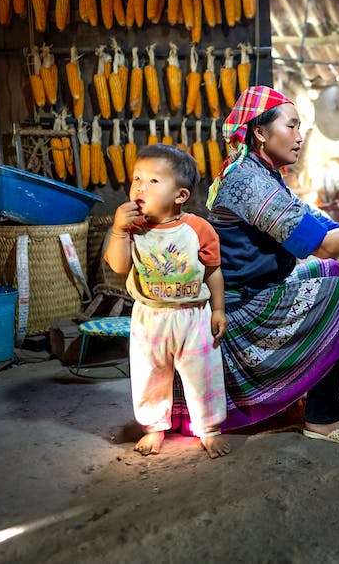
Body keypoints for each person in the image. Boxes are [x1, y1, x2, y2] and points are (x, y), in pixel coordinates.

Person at [171, 85, 339, 447]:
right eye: (291, 127)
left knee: (329, 275)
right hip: (239, 309)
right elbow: (324, 246)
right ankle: (325, 419)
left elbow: (327, 230)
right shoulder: (248, 182)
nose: (299, 136)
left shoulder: (265, 175)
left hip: (258, 290)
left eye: (299, 127)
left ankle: (312, 382)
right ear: (260, 133)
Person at [105, 144, 231, 460]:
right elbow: (119, 267)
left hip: (194, 315)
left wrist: (218, 309)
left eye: (153, 181)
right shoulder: (131, 228)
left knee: (203, 373)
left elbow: (213, 272)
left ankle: (209, 429)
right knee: (150, 374)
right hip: (150, 315)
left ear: (180, 196)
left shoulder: (198, 229)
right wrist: (118, 230)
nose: (139, 187)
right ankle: (154, 427)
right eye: (136, 179)